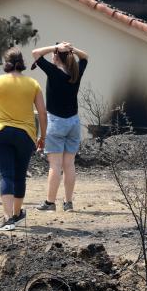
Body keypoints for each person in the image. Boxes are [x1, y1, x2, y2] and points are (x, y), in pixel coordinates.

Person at [0, 48, 46, 231]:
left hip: (1, 131)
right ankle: (17, 214)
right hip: (26, 134)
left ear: (6, 63)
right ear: (22, 63)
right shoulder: (33, 83)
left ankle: (8, 217)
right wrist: (43, 136)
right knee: (20, 174)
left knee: (6, 173)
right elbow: (42, 112)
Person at [31, 42, 89, 212]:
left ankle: (50, 203)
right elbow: (85, 57)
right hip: (73, 122)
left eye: (54, 54)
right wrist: (71, 49)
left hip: (56, 122)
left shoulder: (53, 71)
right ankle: (68, 202)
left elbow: (35, 53)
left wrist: (54, 47)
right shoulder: (76, 72)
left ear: (57, 56)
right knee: (69, 164)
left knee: (55, 165)